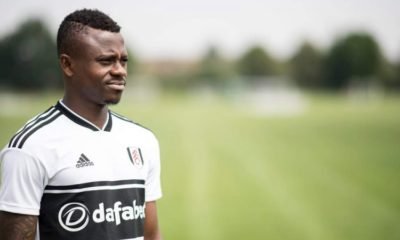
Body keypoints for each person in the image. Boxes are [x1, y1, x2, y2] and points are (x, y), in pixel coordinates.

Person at [0, 9, 162, 240]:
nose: (119, 71)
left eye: (123, 60)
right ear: (68, 65)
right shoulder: (30, 147)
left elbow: (152, 235)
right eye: (106, 61)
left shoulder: (143, 140)